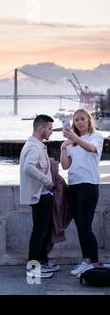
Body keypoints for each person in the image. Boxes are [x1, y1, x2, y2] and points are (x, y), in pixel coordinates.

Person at [60, 109, 103, 277]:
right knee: (80, 227)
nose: (79, 122)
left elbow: (92, 149)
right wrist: (64, 148)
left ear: (88, 120)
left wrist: (74, 138)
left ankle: (93, 263)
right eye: (76, 120)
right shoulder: (72, 142)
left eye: (82, 119)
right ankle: (86, 261)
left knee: (85, 226)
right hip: (74, 186)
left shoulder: (96, 136)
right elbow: (65, 166)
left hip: (89, 185)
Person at [20, 115, 60, 279]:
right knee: (39, 231)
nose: (51, 132)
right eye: (49, 129)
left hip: (43, 195)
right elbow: (28, 168)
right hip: (41, 196)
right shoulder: (35, 148)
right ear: (40, 129)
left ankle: (42, 262)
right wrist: (47, 180)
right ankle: (33, 267)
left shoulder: (35, 145)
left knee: (43, 231)